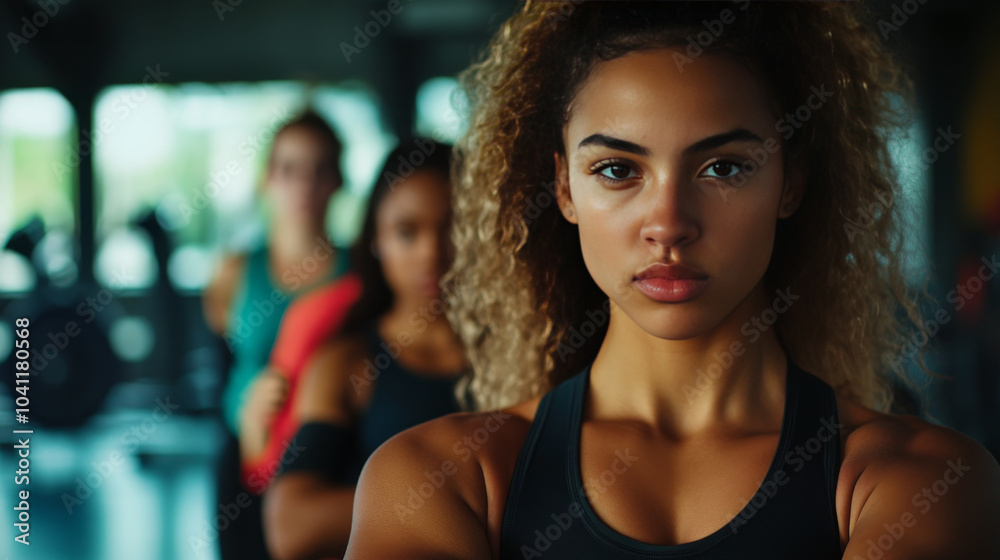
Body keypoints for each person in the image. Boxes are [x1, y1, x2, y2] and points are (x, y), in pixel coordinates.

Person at [344, 3, 1000, 559]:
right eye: (616, 170)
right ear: (562, 188)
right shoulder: (441, 476)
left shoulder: (924, 481)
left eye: (723, 168)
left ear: (791, 181)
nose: (668, 224)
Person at [262, 138, 469, 560]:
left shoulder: (526, 355)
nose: (431, 253)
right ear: (377, 240)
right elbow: (290, 524)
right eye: (407, 232)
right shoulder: (347, 363)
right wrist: (445, 504)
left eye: (454, 228)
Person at [202, 110, 350, 560]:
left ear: (337, 180)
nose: (304, 183)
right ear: (268, 178)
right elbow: (224, 370)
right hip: (243, 463)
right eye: (289, 169)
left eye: (319, 169)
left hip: (325, 466)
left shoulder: (361, 273)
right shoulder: (233, 272)